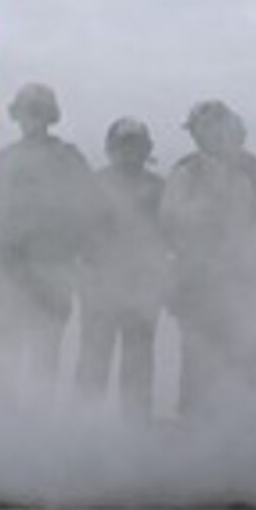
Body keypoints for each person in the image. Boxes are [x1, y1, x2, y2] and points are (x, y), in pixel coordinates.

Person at [0, 83, 101, 412]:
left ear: (49, 116)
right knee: (3, 346)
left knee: (45, 351)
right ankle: (8, 420)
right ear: (18, 116)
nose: (33, 118)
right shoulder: (4, 160)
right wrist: (16, 210)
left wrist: (54, 220)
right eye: (28, 111)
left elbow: (90, 208)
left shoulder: (68, 159)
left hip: (52, 268)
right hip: (9, 267)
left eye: (39, 111)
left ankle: (39, 429)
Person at [159, 101, 256, 424]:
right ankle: (195, 422)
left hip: (241, 272)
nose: (209, 135)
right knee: (198, 349)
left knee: (246, 343)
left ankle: (248, 420)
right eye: (202, 129)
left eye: (217, 127)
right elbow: (168, 219)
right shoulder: (186, 169)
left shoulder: (247, 166)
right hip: (198, 274)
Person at [75, 118, 168, 421]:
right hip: (101, 283)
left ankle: (136, 426)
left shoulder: (160, 188)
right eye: (124, 145)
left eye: (135, 145)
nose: (130, 152)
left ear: (145, 149)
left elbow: (172, 234)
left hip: (143, 284)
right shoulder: (94, 185)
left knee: (138, 358)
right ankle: (85, 424)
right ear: (112, 149)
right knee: (94, 355)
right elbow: (79, 231)